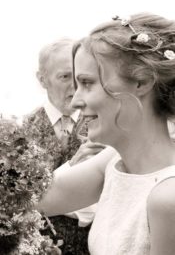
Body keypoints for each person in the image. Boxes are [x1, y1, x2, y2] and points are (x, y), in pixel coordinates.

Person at [37, 13, 175, 255]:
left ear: (141, 82)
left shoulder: (167, 198)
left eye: (87, 83)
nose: (76, 100)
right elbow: (39, 199)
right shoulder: (112, 161)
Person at [25, 38, 104, 255]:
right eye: (65, 76)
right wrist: (72, 165)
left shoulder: (103, 122)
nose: (75, 86)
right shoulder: (21, 131)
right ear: (42, 79)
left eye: (79, 76)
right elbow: (22, 198)